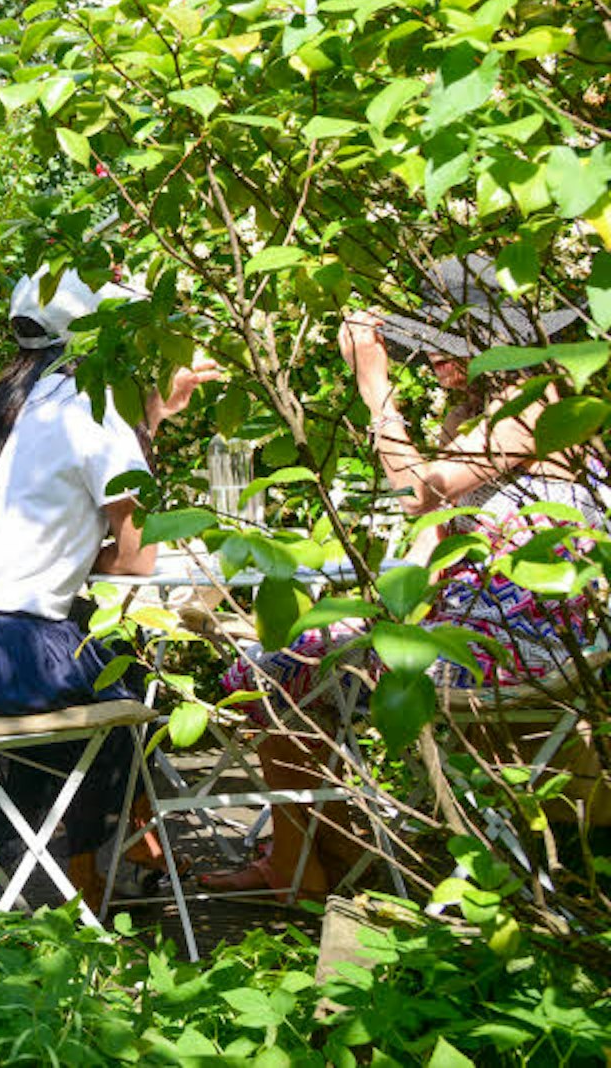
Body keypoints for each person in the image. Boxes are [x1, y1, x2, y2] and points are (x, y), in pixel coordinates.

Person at [201, 258, 603, 901]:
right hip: (472, 634)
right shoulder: (480, 415)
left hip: (520, 649)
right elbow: (432, 545)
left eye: (446, 347)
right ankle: (313, 857)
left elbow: (419, 492)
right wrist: (374, 610)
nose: (434, 363)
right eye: (429, 349)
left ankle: (315, 861)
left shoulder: (534, 409)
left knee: (280, 669)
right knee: (284, 662)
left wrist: (375, 389)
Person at [0, 267, 218, 909]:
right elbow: (137, 562)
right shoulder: (97, 413)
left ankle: (18, 864)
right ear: (106, 342)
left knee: (86, 678)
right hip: (4, 659)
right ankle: (99, 877)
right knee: (125, 699)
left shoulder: (1, 407)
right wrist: (150, 418)